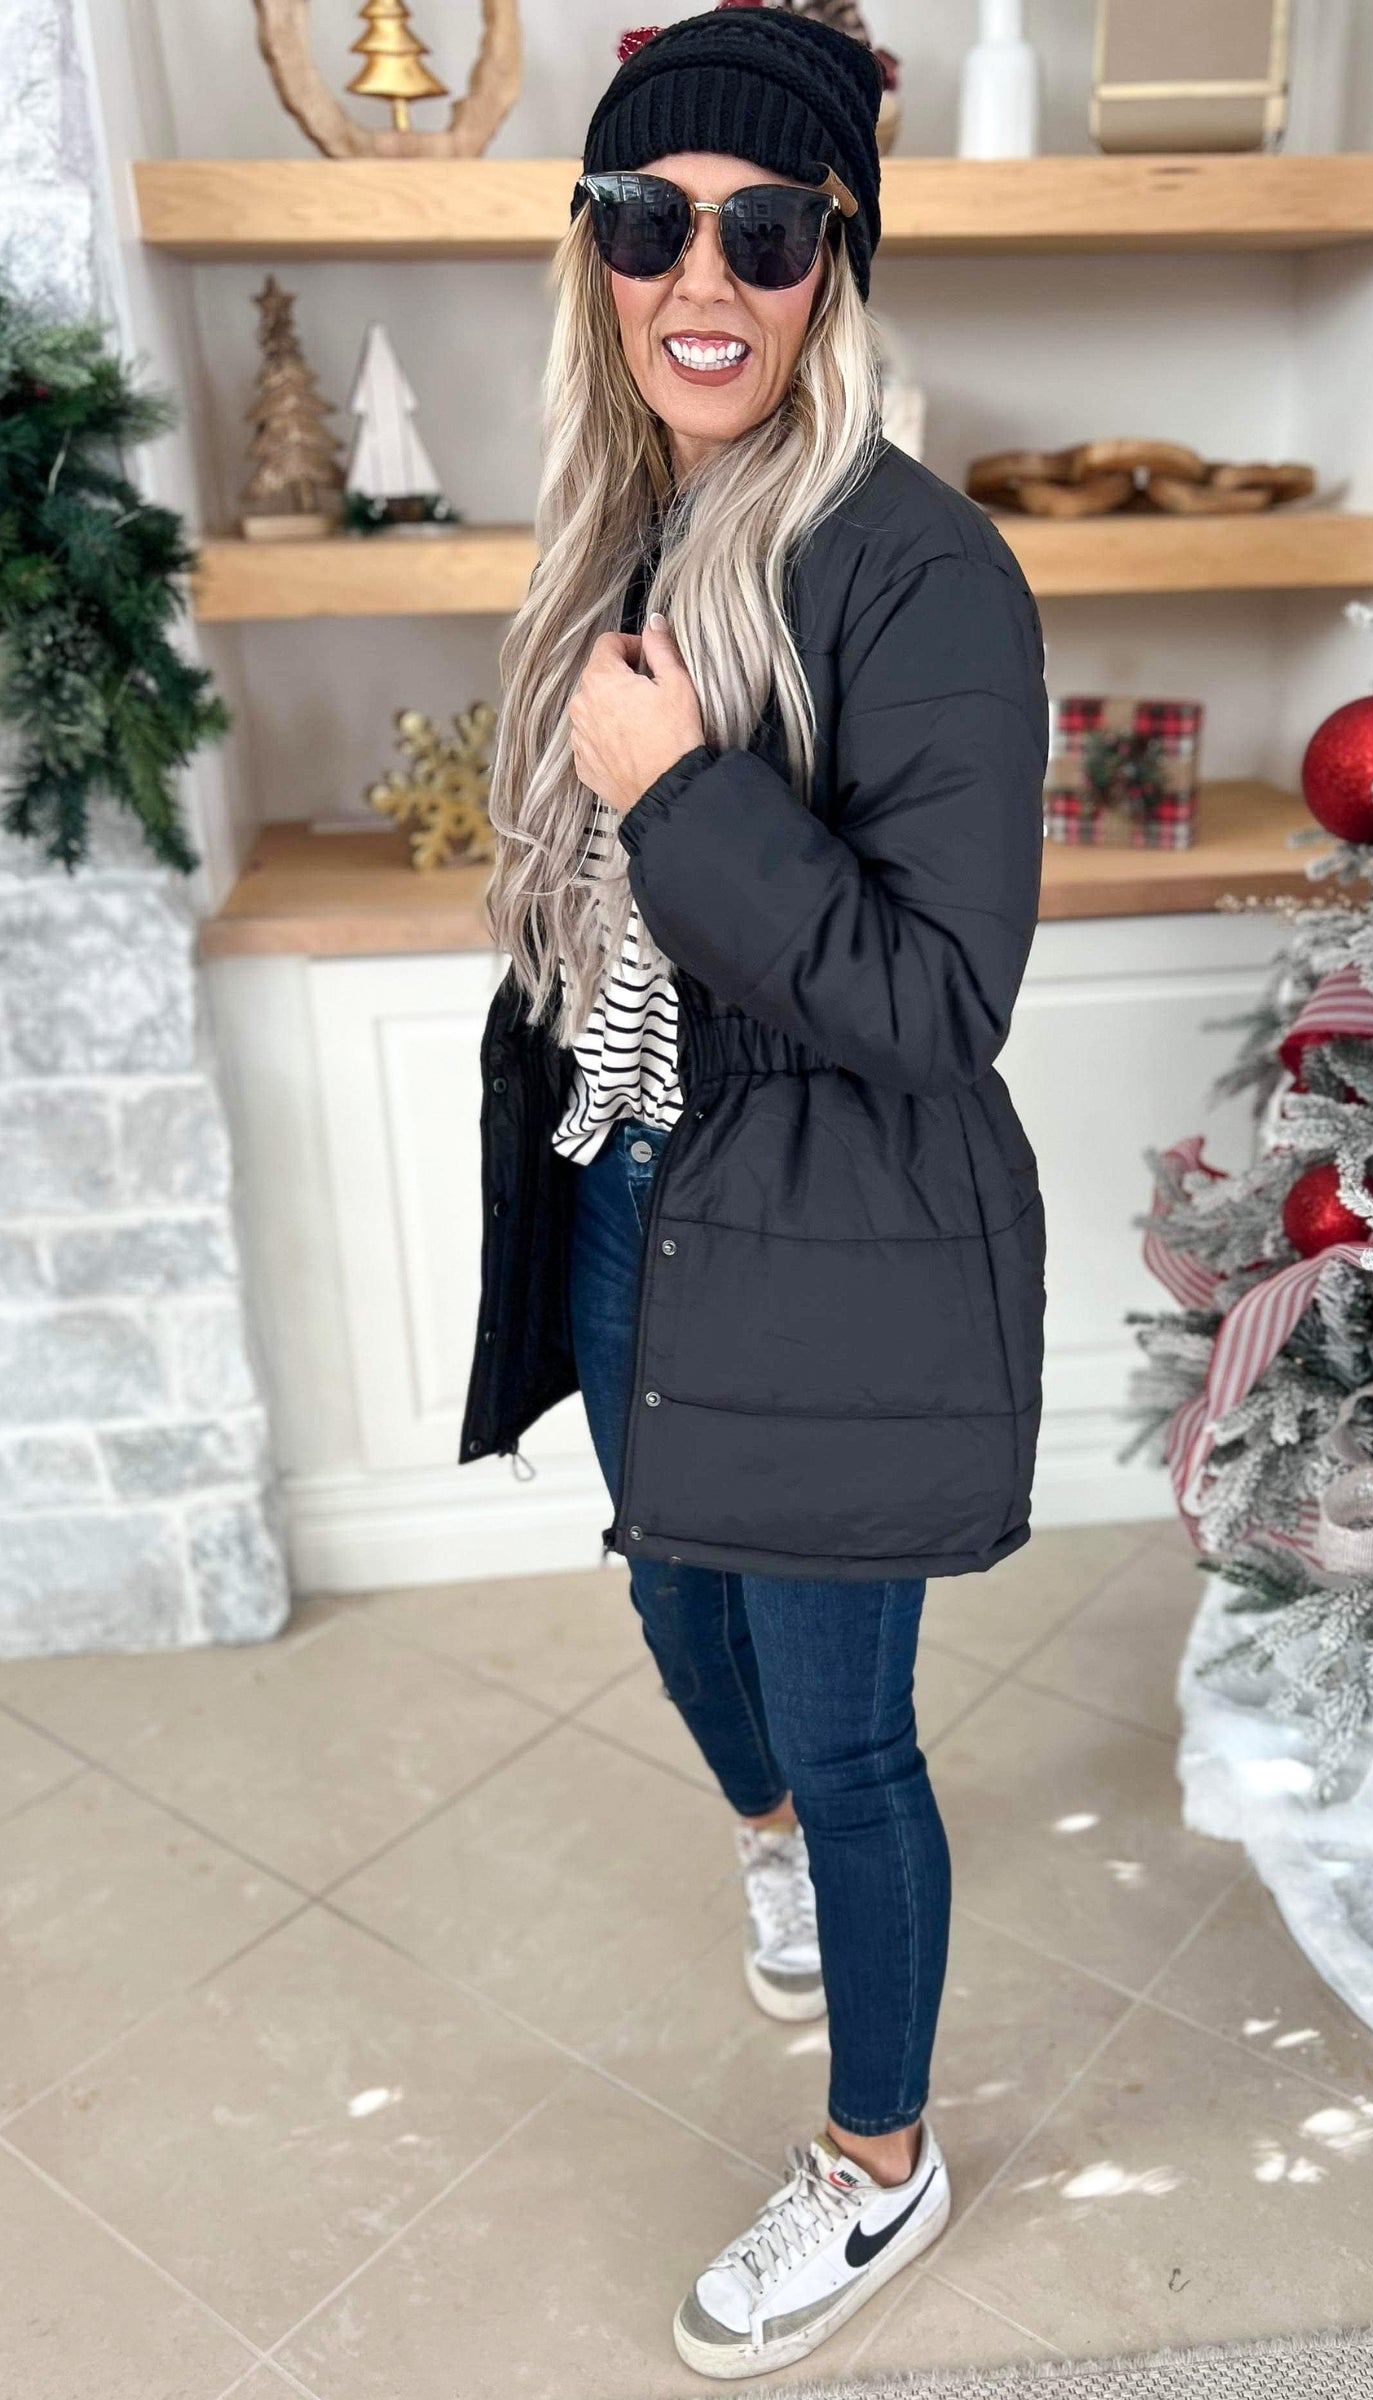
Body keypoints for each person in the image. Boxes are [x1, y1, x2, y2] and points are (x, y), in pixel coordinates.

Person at [462, 6, 1047, 2377]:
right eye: (648, 218)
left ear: (836, 262)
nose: (699, 275)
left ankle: (878, 2168)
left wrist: (682, 785)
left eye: (764, 229)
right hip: (643, 1186)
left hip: (833, 1234)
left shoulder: (923, 571)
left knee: (851, 1731)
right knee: (671, 1596)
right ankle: (773, 1842)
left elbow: (936, 998)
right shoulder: (627, 519)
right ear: (595, 252)